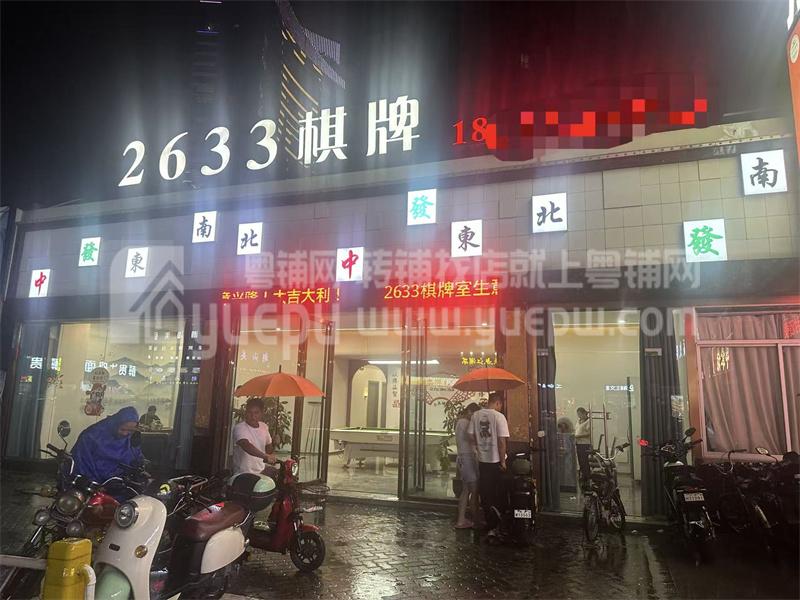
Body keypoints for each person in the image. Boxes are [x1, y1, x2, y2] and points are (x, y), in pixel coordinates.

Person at [468, 392, 510, 537]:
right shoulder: (499, 417)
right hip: (495, 461)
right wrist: (503, 461)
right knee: (496, 493)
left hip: (482, 460)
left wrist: (478, 447)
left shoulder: (475, 415)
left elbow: (470, 435)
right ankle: (496, 525)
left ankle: (489, 522)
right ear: (498, 403)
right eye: (500, 405)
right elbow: (502, 441)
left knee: (485, 493)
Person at [71, 406, 143, 484]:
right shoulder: (92, 435)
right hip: (93, 484)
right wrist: (94, 484)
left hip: (119, 483)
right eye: (122, 429)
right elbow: (81, 464)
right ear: (116, 424)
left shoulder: (130, 438)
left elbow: (135, 458)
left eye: (130, 431)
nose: (125, 433)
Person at [232, 397, 277, 475]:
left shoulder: (264, 427)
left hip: (261, 472)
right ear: (246, 412)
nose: (253, 416)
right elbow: (246, 445)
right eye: (250, 412)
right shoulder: (239, 428)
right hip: (243, 474)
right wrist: (265, 456)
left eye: (256, 413)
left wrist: (275, 442)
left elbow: (268, 450)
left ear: (262, 413)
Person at [454, 402, 481, 529]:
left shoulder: (460, 422)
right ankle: (476, 521)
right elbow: (472, 438)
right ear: (470, 411)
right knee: (474, 491)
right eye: (474, 414)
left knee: (466, 490)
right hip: (467, 459)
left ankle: (461, 520)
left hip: (463, 458)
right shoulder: (465, 423)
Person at [575, 407, 592, 487]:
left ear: (584, 413)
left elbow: (589, 433)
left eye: (580, 414)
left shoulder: (588, 421)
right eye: (578, 414)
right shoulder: (578, 421)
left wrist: (578, 436)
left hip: (585, 444)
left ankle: (587, 477)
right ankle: (583, 476)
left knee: (584, 461)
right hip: (578, 443)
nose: (579, 416)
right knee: (580, 461)